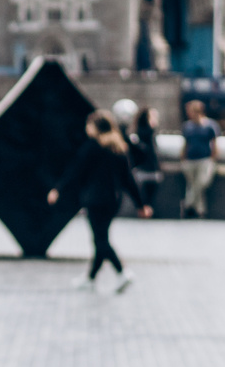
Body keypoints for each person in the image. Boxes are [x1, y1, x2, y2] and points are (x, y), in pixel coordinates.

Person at [47, 110, 152, 292]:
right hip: (112, 200)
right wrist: (140, 204)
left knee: (100, 239)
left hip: (95, 200)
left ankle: (122, 272)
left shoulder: (92, 147)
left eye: (89, 125)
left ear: (96, 128)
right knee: (100, 238)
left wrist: (58, 189)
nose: (87, 128)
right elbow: (128, 180)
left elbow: (75, 171)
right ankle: (91, 277)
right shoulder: (118, 148)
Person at [180, 99, 217, 217]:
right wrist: (183, 158)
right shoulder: (187, 126)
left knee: (200, 183)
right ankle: (200, 211)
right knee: (194, 185)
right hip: (190, 160)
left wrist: (212, 158)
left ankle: (187, 204)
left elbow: (215, 144)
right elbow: (185, 144)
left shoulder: (210, 126)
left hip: (204, 159)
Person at [129, 102, 163, 203]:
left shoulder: (145, 133)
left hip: (149, 167)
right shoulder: (145, 132)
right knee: (146, 194)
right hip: (146, 167)